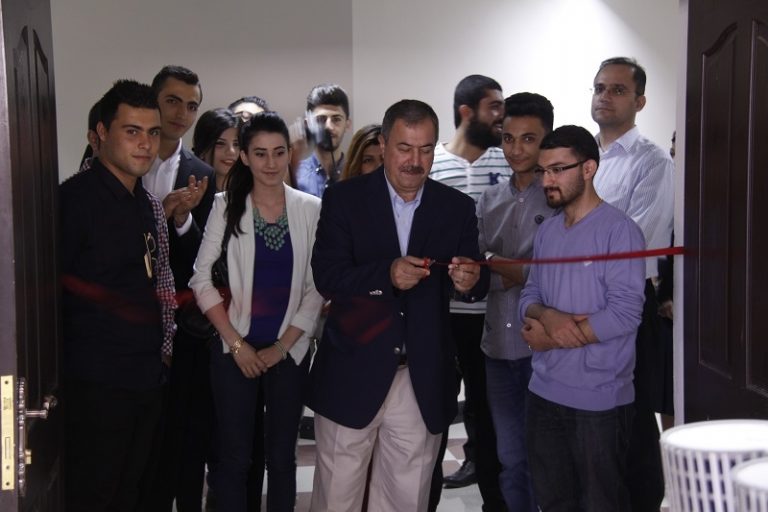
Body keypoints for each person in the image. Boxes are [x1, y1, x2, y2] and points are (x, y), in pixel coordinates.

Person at [309, 99, 489, 511]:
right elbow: (327, 277)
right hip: (352, 371)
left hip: (421, 377)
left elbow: (476, 279)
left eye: (425, 149)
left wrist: (471, 280)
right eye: (405, 148)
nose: (415, 161)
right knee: (337, 497)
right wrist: (385, 275)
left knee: (405, 499)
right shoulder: (344, 199)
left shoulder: (456, 207)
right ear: (384, 144)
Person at [190, 111, 323, 512]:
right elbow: (200, 280)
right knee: (234, 459)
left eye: (279, 152)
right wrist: (236, 344)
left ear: (288, 155)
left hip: (289, 351)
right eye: (260, 153)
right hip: (234, 351)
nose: (270, 163)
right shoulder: (225, 206)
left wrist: (282, 348)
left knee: (282, 459)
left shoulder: (311, 208)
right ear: (245, 157)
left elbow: (316, 287)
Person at [519, 125, 646, 511]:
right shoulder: (548, 231)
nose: (547, 181)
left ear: (588, 168)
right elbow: (528, 296)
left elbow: (624, 313)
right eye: (543, 171)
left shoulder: (620, 231)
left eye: (558, 170)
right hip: (543, 392)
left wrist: (550, 336)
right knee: (553, 501)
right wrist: (548, 315)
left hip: (599, 401)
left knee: (600, 503)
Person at [60, 79, 172, 511]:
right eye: (132, 131)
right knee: (94, 495)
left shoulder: (145, 202)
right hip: (95, 385)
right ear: (102, 133)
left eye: (153, 132)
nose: (145, 144)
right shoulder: (73, 201)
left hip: (144, 378)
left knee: (130, 493)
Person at [590, 56, 674, 511]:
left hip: (627, 304)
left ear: (640, 102)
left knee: (633, 419)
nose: (605, 96)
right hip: (577, 302)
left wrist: (576, 257)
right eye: (600, 87)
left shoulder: (653, 162)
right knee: (593, 420)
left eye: (618, 89)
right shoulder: (581, 157)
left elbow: (635, 239)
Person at [428, 74, 509, 510]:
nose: (501, 116)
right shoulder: (433, 164)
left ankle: (492, 495)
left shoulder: (506, 163)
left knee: (487, 409)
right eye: (494, 106)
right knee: (435, 409)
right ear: (466, 112)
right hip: (440, 314)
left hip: (490, 313)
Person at [477, 92, 556, 511]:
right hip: (497, 348)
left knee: (547, 460)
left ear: (546, 140)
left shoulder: (559, 200)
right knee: (510, 460)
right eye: (509, 138)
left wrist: (495, 262)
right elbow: (475, 273)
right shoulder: (490, 200)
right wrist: (509, 268)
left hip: (543, 349)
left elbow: (551, 277)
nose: (516, 149)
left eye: (528, 139)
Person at [145, 64, 216, 512]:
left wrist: (182, 219)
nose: (181, 114)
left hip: (183, 323)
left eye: (191, 106)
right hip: (127, 316)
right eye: (172, 101)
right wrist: (156, 213)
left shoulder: (201, 173)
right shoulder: (120, 156)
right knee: (137, 436)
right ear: (154, 100)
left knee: (184, 432)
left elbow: (203, 259)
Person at [294, 83, 351, 197]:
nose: (329, 126)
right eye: (320, 119)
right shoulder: (294, 173)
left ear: (347, 124)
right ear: (307, 124)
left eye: (336, 119)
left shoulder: (357, 171)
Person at [192, 108, 240, 192]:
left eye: (236, 144)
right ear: (202, 150)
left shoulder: (254, 192)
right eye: (220, 143)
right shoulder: (185, 189)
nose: (231, 151)